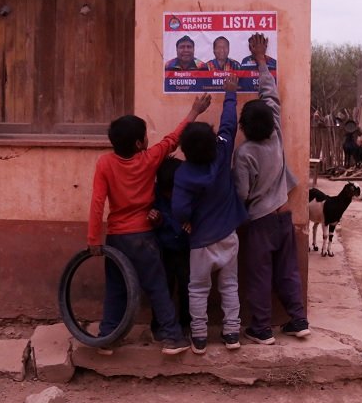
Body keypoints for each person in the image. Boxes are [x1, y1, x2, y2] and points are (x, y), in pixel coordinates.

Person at [87, 93, 211, 355]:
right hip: (143, 236)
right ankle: (172, 338)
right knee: (157, 287)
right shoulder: (149, 159)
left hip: (117, 238)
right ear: (139, 143)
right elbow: (173, 138)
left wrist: (93, 240)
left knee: (116, 287)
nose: (148, 140)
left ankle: (107, 337)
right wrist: (194, 112)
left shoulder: (105, 163)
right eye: (145, 136)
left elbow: (97, 203)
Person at [233, 33, 310, 344]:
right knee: (288, 270)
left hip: (260, 223)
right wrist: (262, 60)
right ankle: (299, 320)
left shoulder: (245, 153)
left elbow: (241, 194)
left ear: (244, 127)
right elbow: (271, 96)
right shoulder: (276, 135)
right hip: (283, 216)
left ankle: (262, 328)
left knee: (259, 275)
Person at [172, 74, 248, 353]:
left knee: (198, 288)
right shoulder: (222, 149)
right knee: (229, 286)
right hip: (228, 234)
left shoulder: (183, 173)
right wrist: (230, 93)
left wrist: (185, 221)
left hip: (200, 241)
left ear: (185, 150)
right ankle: (231, 334)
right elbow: (229, 123)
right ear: (213, 140)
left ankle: (200, 337)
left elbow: (179, 208)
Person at [147, 157, 191, 337]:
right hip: (163, 249)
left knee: (187, 286)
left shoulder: (188, 192)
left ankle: (186, 324)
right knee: (163, 287)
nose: (172, 195)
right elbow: (155, 217)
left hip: (185, 248)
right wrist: (157, 219)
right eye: (168, 192)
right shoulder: (155, 194)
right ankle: (158, 326)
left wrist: (192, 221)